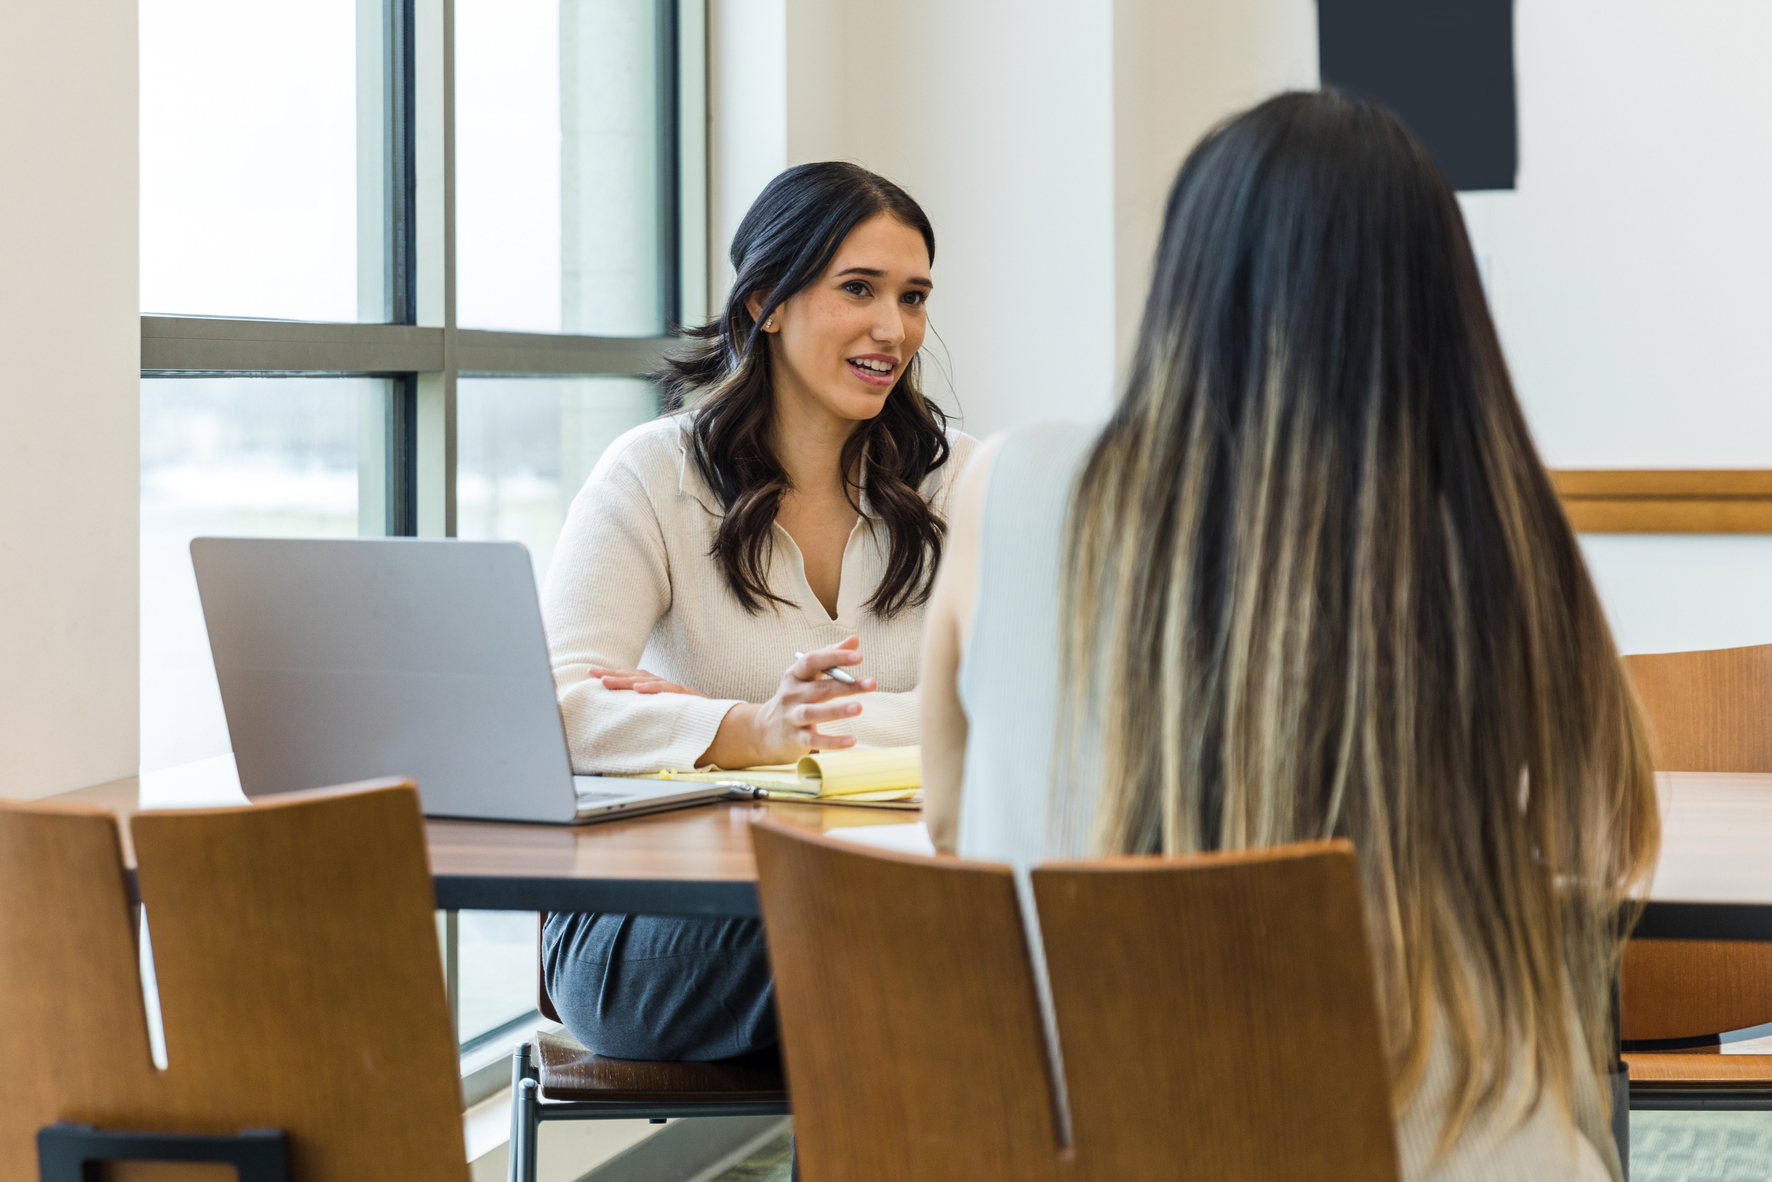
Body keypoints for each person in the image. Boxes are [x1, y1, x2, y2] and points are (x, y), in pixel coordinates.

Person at [919, 91, 1659, 1181]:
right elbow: (1600, 838)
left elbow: (947, 817)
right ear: (1437, 306)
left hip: (1078, 1141)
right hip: (1443, 1143)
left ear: (1189, 280)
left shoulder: (1007, 482)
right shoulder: (1489, 519)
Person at [541, 160, 976, 1061]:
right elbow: (546, 708)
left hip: (895, 896)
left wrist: (697, 725)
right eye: (857, 289)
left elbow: (1017, 716)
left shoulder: (960, 481)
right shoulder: (652, 474)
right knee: (933, 961)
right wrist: (749, 730)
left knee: (938, 949)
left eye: (913, 297)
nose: (892, 329)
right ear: (765, 300)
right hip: (657, 921)